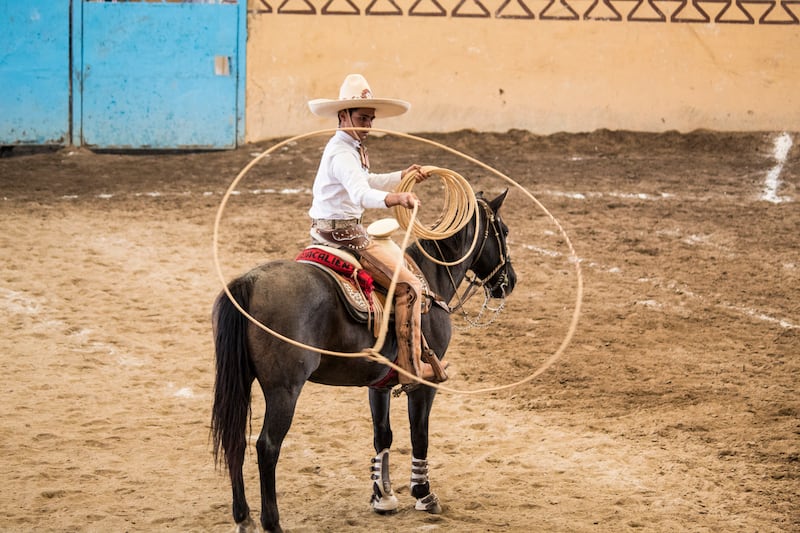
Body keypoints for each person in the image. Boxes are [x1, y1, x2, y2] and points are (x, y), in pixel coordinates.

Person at [307, 73, 448, 388]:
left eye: (370, 119)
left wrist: (401, 175)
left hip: (327, 231)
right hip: (345, 235)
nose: (369, 125)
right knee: (409, 286)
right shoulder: (343, 152)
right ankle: (411, 368)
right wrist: (396, 197)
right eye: (362, 118)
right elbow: (360, 194)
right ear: (343, 115)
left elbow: (364, 181)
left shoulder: (348, 146)